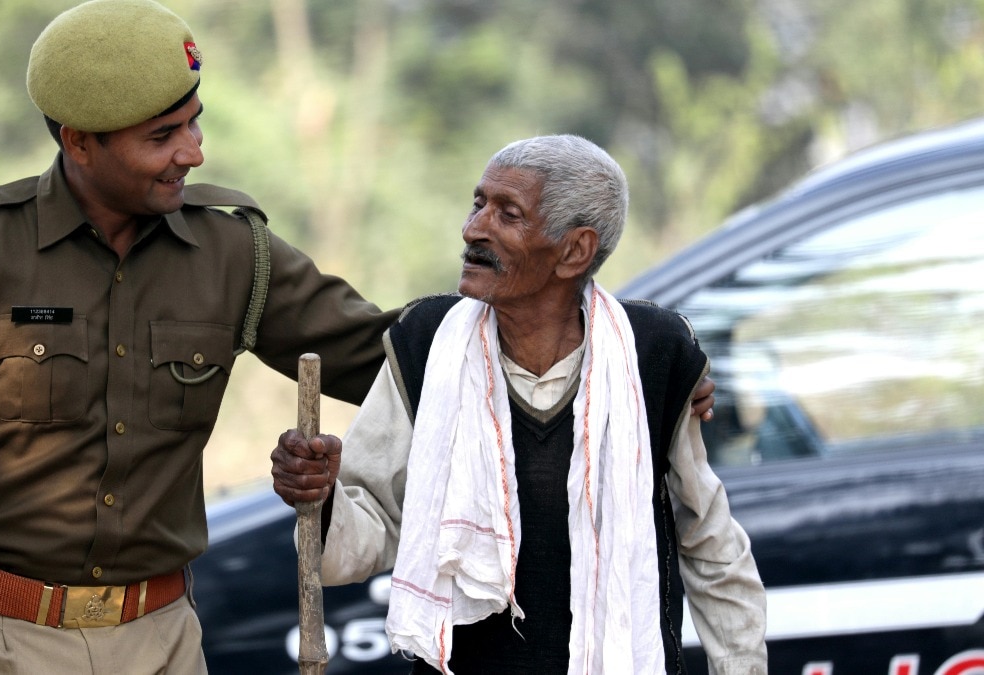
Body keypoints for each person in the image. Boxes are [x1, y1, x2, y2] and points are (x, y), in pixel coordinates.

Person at [0, 1, 403, 673]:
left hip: (161, 643)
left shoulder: (234, 252)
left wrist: (520, 302)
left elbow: (388, 357)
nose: (193, 151)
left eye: (194, 123)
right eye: (162, 136)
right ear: (78, 142)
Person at [271, 135, 767, 674]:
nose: (473, 228)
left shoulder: (652, 357)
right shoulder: (427, 346)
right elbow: (365, 537)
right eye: (478, 203)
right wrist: (320, 500)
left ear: (574, 250)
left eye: (508, 214)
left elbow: (712, 547)